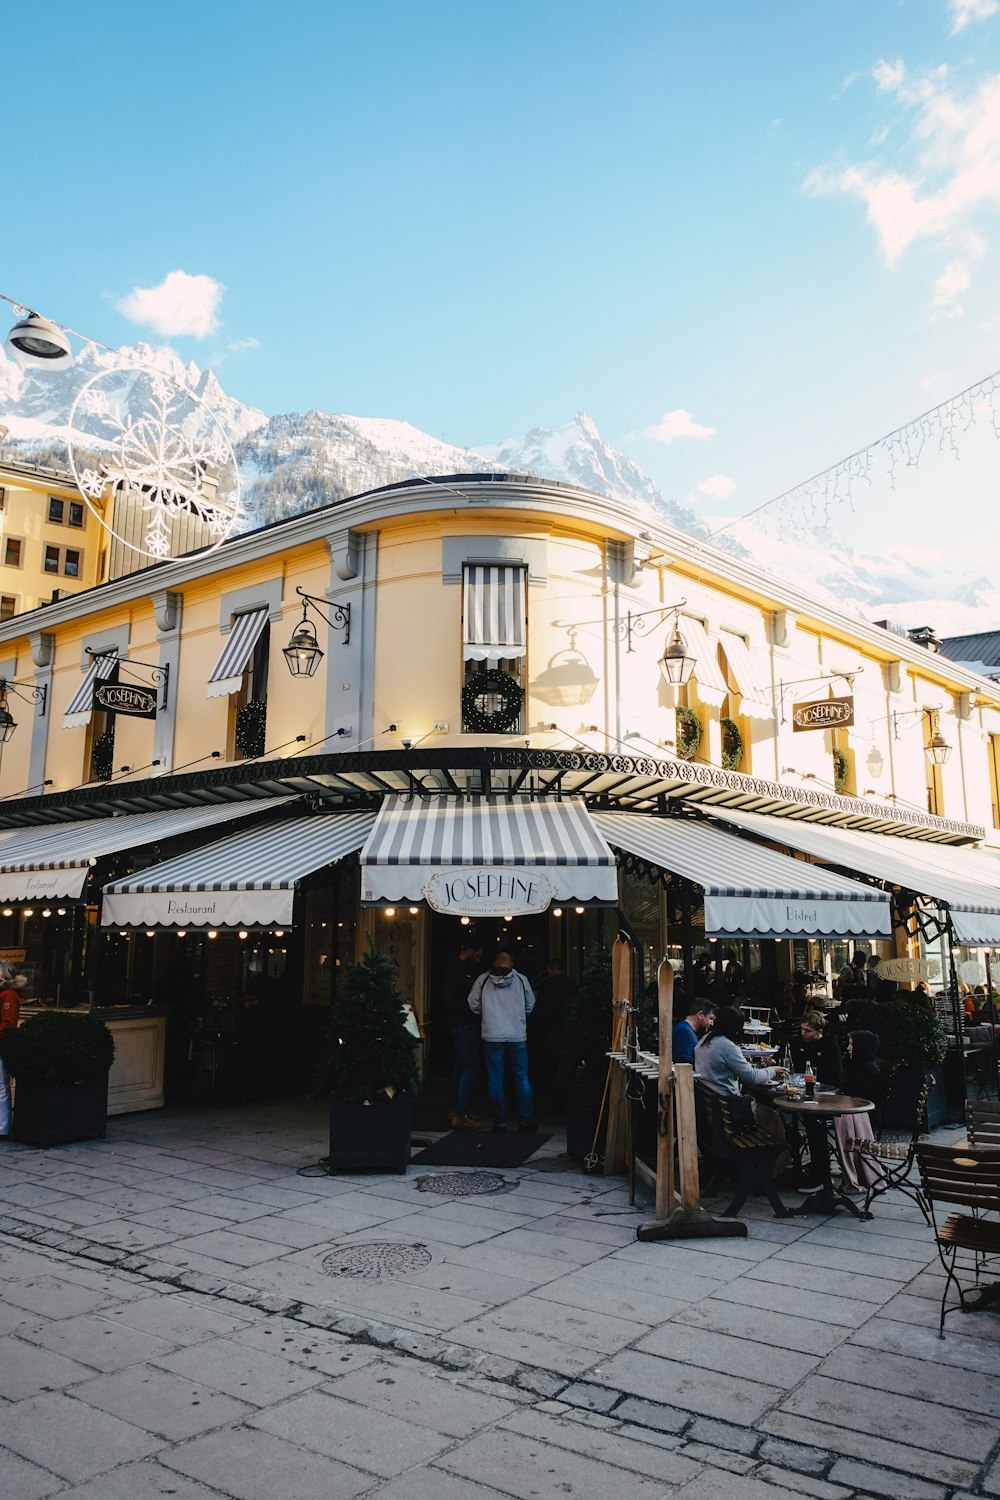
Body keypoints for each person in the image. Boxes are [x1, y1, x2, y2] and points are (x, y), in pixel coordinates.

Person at [468, 949, 537, 1133]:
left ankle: (500, 1121)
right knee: (521, 1078)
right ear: (511, 963)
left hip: (492, 1035)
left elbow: (473, 1003)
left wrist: (488, 1015)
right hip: (516, 1035)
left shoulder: (483, 980)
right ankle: (526, 1120)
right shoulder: (521, 980)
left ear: (494, 963)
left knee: (495, 1079)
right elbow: (530, 1004)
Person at [834, 1029, 887, 1196]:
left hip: (862, 1118)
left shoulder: (868, 1070)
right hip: (857, 1113)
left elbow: (858, 1098)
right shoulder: (859, 1065)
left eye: (852, 1044)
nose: (848, 1048)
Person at [445, 942, 483, 1130]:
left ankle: (456, 1109)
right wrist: (474, 1011)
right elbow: (452, 999)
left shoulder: (458, 969)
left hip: (459, 1023)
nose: (479, 958)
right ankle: (460, 1113)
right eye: (477, 954)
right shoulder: (459, 971)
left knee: (461, 1066)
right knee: (470, 1066)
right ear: (468, 950)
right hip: (463, 1024)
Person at [0, 962, 24, 1138]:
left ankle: (3, 1127)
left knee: (1, 1087)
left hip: (1, 1045)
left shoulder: (8, 994)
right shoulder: (6, 993)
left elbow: (8, 1023)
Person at [791, 1011, 842, 1089]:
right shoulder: (797, 1042)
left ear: (819, 1031)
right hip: (797, 1086)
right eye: (802, 1029)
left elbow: (835, 1076)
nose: (803, 1033)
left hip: (823, 1089)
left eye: (808, 1031)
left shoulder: (830, 1045)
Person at [673, 998, 717, 1066]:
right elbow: (684, 1062)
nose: (712, 1023)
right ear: (701, 1015)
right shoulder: (685, 1032)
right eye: (710, 1018)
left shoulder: (684, 1028)